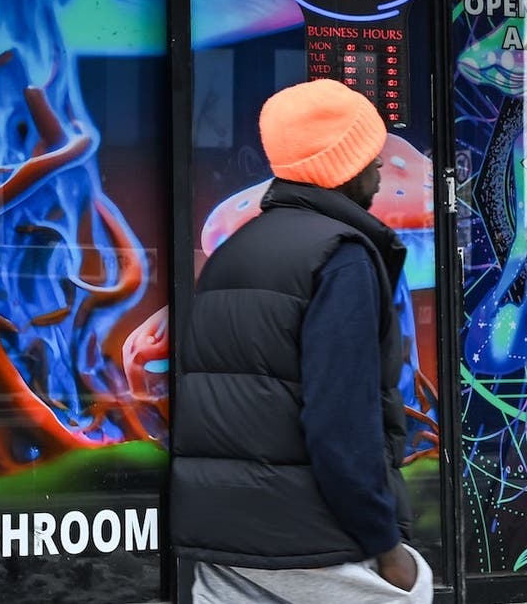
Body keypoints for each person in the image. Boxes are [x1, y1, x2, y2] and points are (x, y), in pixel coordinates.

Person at [171, 78, 433, 603]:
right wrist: (385, 545)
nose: (380, 166)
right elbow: (341, 419)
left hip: (224, 537)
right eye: (367, 153)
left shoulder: (231, 252)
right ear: (340, 165)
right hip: (314, 536)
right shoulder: (342, 257)